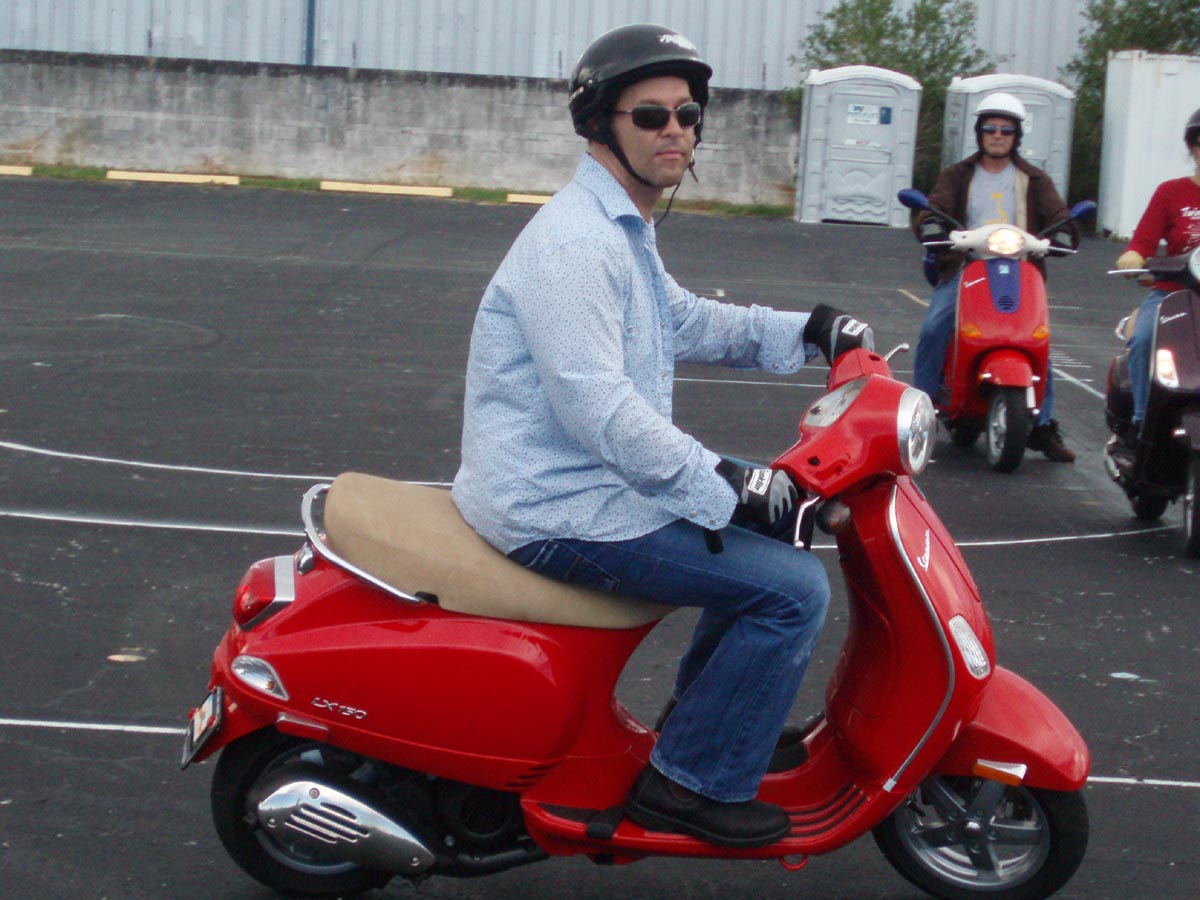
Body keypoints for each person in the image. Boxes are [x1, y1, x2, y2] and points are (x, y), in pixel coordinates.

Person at [451, 24, 872, 849]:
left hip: (589, 485)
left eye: (687, 114)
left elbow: (683, 319)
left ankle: (713, 727)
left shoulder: (618, 227)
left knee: (779, 528)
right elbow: (599, 410)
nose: (675, 130)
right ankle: (688, 783)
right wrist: (730, 484)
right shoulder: (577, 244)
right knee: (793, 591)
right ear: (599, 124)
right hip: (558, 510)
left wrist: (811, 329)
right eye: (650, 116)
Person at [912, 91, 1080, 463]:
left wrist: (1064, 232)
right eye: (990, 128)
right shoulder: (957, 175)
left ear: (1017, 135)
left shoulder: (1034, 178)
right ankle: (918, 414)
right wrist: (931, 225)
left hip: (1021, 269)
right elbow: (933, 208)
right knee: (935, 327)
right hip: (966, 266)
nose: (998, 135)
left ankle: (1042, 423)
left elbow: (1058, 215)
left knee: (1037, 338)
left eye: (1006, 129)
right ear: (980, 132)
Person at [1113, 107, 1200, 441]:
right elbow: (1143, 240)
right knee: (1145, 338)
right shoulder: (1170, 192)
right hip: (1172, 293)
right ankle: (1142, 421)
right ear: (1192, 146)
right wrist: (1133, 256)